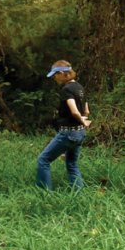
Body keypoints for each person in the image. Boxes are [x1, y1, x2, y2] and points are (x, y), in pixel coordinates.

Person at [36, 60, 90, 190]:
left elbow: (74, 110)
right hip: (80, 133)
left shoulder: (66, 89)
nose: (54, 78)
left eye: (55, 75)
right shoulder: (79, 87)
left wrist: (81, 120)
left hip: (68, 133)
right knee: (72, 164)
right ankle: (78, 193)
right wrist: (83, 121)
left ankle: (45, 194)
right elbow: (86, 111)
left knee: (43, 160)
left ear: (61, 73)